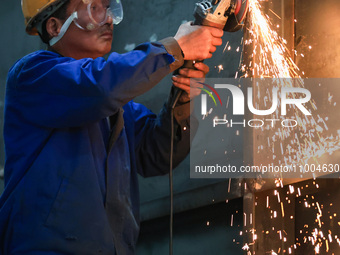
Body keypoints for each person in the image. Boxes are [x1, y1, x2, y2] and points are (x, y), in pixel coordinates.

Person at [0, 0, 223, 253]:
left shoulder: (119, 110)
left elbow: (158, 154)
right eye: (94, 8)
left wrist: (183, 96)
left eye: (109, 8)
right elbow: (98, 87)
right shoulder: (33, 75)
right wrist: (175, 48)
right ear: (54, 26)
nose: (107, 19)